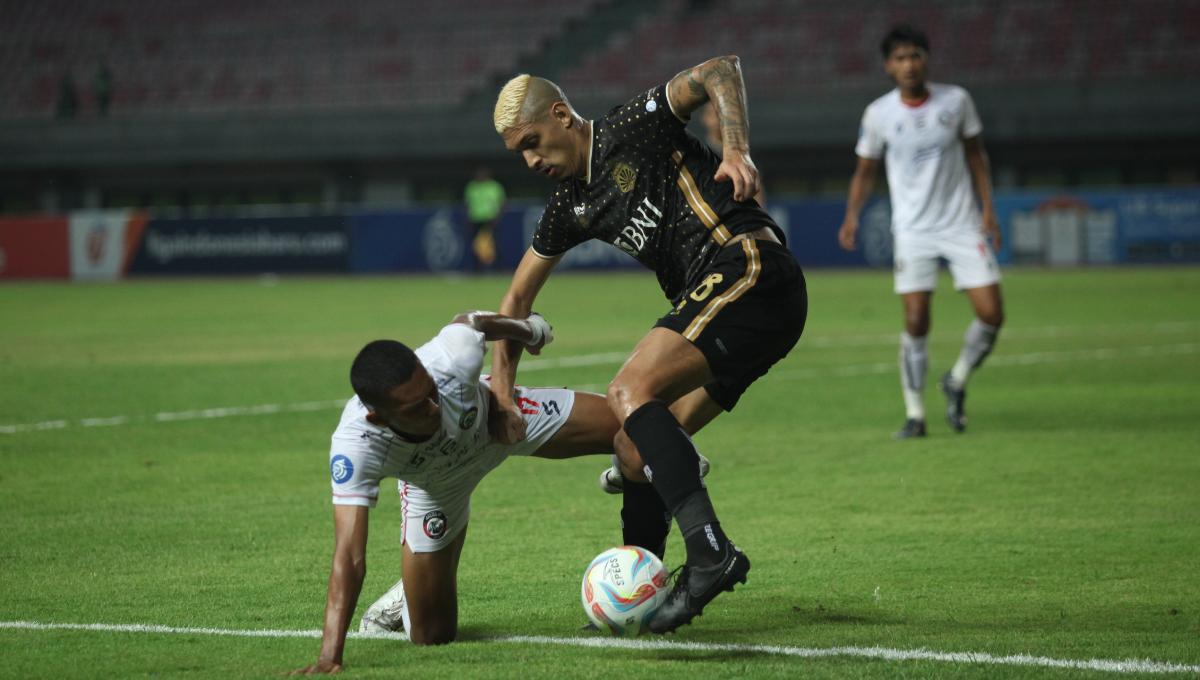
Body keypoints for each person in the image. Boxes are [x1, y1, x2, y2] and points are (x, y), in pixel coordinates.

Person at [490, 55, 808, 633]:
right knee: (631, 445)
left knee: (629, 389)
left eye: (533, 142)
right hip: (744, 307)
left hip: (751, 266)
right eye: (520, 154)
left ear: (562, 115)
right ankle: (642, 587)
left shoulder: (631, 126)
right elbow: (514, 305)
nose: (532, 161)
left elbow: (721, 70)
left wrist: (735, 150)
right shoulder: (570, 207)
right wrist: (505, 396)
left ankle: (711, 553)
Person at [292, 311, 620, 674]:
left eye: (430, 391)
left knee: (633, 425)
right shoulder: (356, 445)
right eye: (417, 407)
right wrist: (329, 656)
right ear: (379, 419)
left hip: (496, 425)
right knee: (434, 636)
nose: (434, 408)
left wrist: (527, 332)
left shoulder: (450, 359)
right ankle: (406, 596)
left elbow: (473, 320)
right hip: (436, 489)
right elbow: (349, 556)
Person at [837, 25, 1004, 439]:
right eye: (900, 58)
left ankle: (958, 378)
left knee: (992, 313)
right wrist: (852, 215)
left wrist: (988, 209)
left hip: (962, 222)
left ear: (926, 59)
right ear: (888, 66)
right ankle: (915, 415)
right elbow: (864, 171)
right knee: (916, 319)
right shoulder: (879, 114)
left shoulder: (957, 101)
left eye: (915, 55)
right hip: (912, 229)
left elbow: (976, 156)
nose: (908, 64)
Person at [700, 103, 766, 207]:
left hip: (740, 213)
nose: (718, 119)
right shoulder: (698, 152)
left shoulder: (745, 151)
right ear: (704, 118)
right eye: (713, 114)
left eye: (722, 113)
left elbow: (757, 188)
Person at [463, 166, 506, 270]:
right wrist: (468, 217)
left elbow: (502, 203)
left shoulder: (494, 186)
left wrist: (497, 217)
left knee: (493, 244)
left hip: (490, 220)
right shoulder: (472, 186)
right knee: (476, 245)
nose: (481, 176)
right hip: (476, 219)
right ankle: (477, 269)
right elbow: (468, 204)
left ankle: (497, 268)